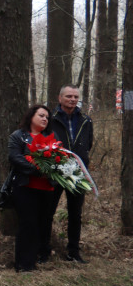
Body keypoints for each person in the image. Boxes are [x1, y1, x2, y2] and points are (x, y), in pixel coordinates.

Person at [8, 105, 58, 272]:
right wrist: (37, 170)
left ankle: (35, 259)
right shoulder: (18, 136)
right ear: (31, 117)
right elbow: (15, 158)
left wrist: (52, 170)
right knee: (27, 223)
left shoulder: (51, 137)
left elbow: (60, 158)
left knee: (42, 224)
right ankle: (22, 263)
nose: (45, 119)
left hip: (47, 189)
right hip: (25, 187)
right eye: (41, 115)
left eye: (47, 117)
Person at [49, 85, 93, 263]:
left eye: (75, 97)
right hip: (55, 171)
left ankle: (73, 252)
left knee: (75, 213)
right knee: (48, 211)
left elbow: (88, 143)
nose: (73, 100)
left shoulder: (85, 120)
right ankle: (43, 250)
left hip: (77, 172)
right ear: (60, 98)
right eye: (69, 96)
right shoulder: (50, 119)